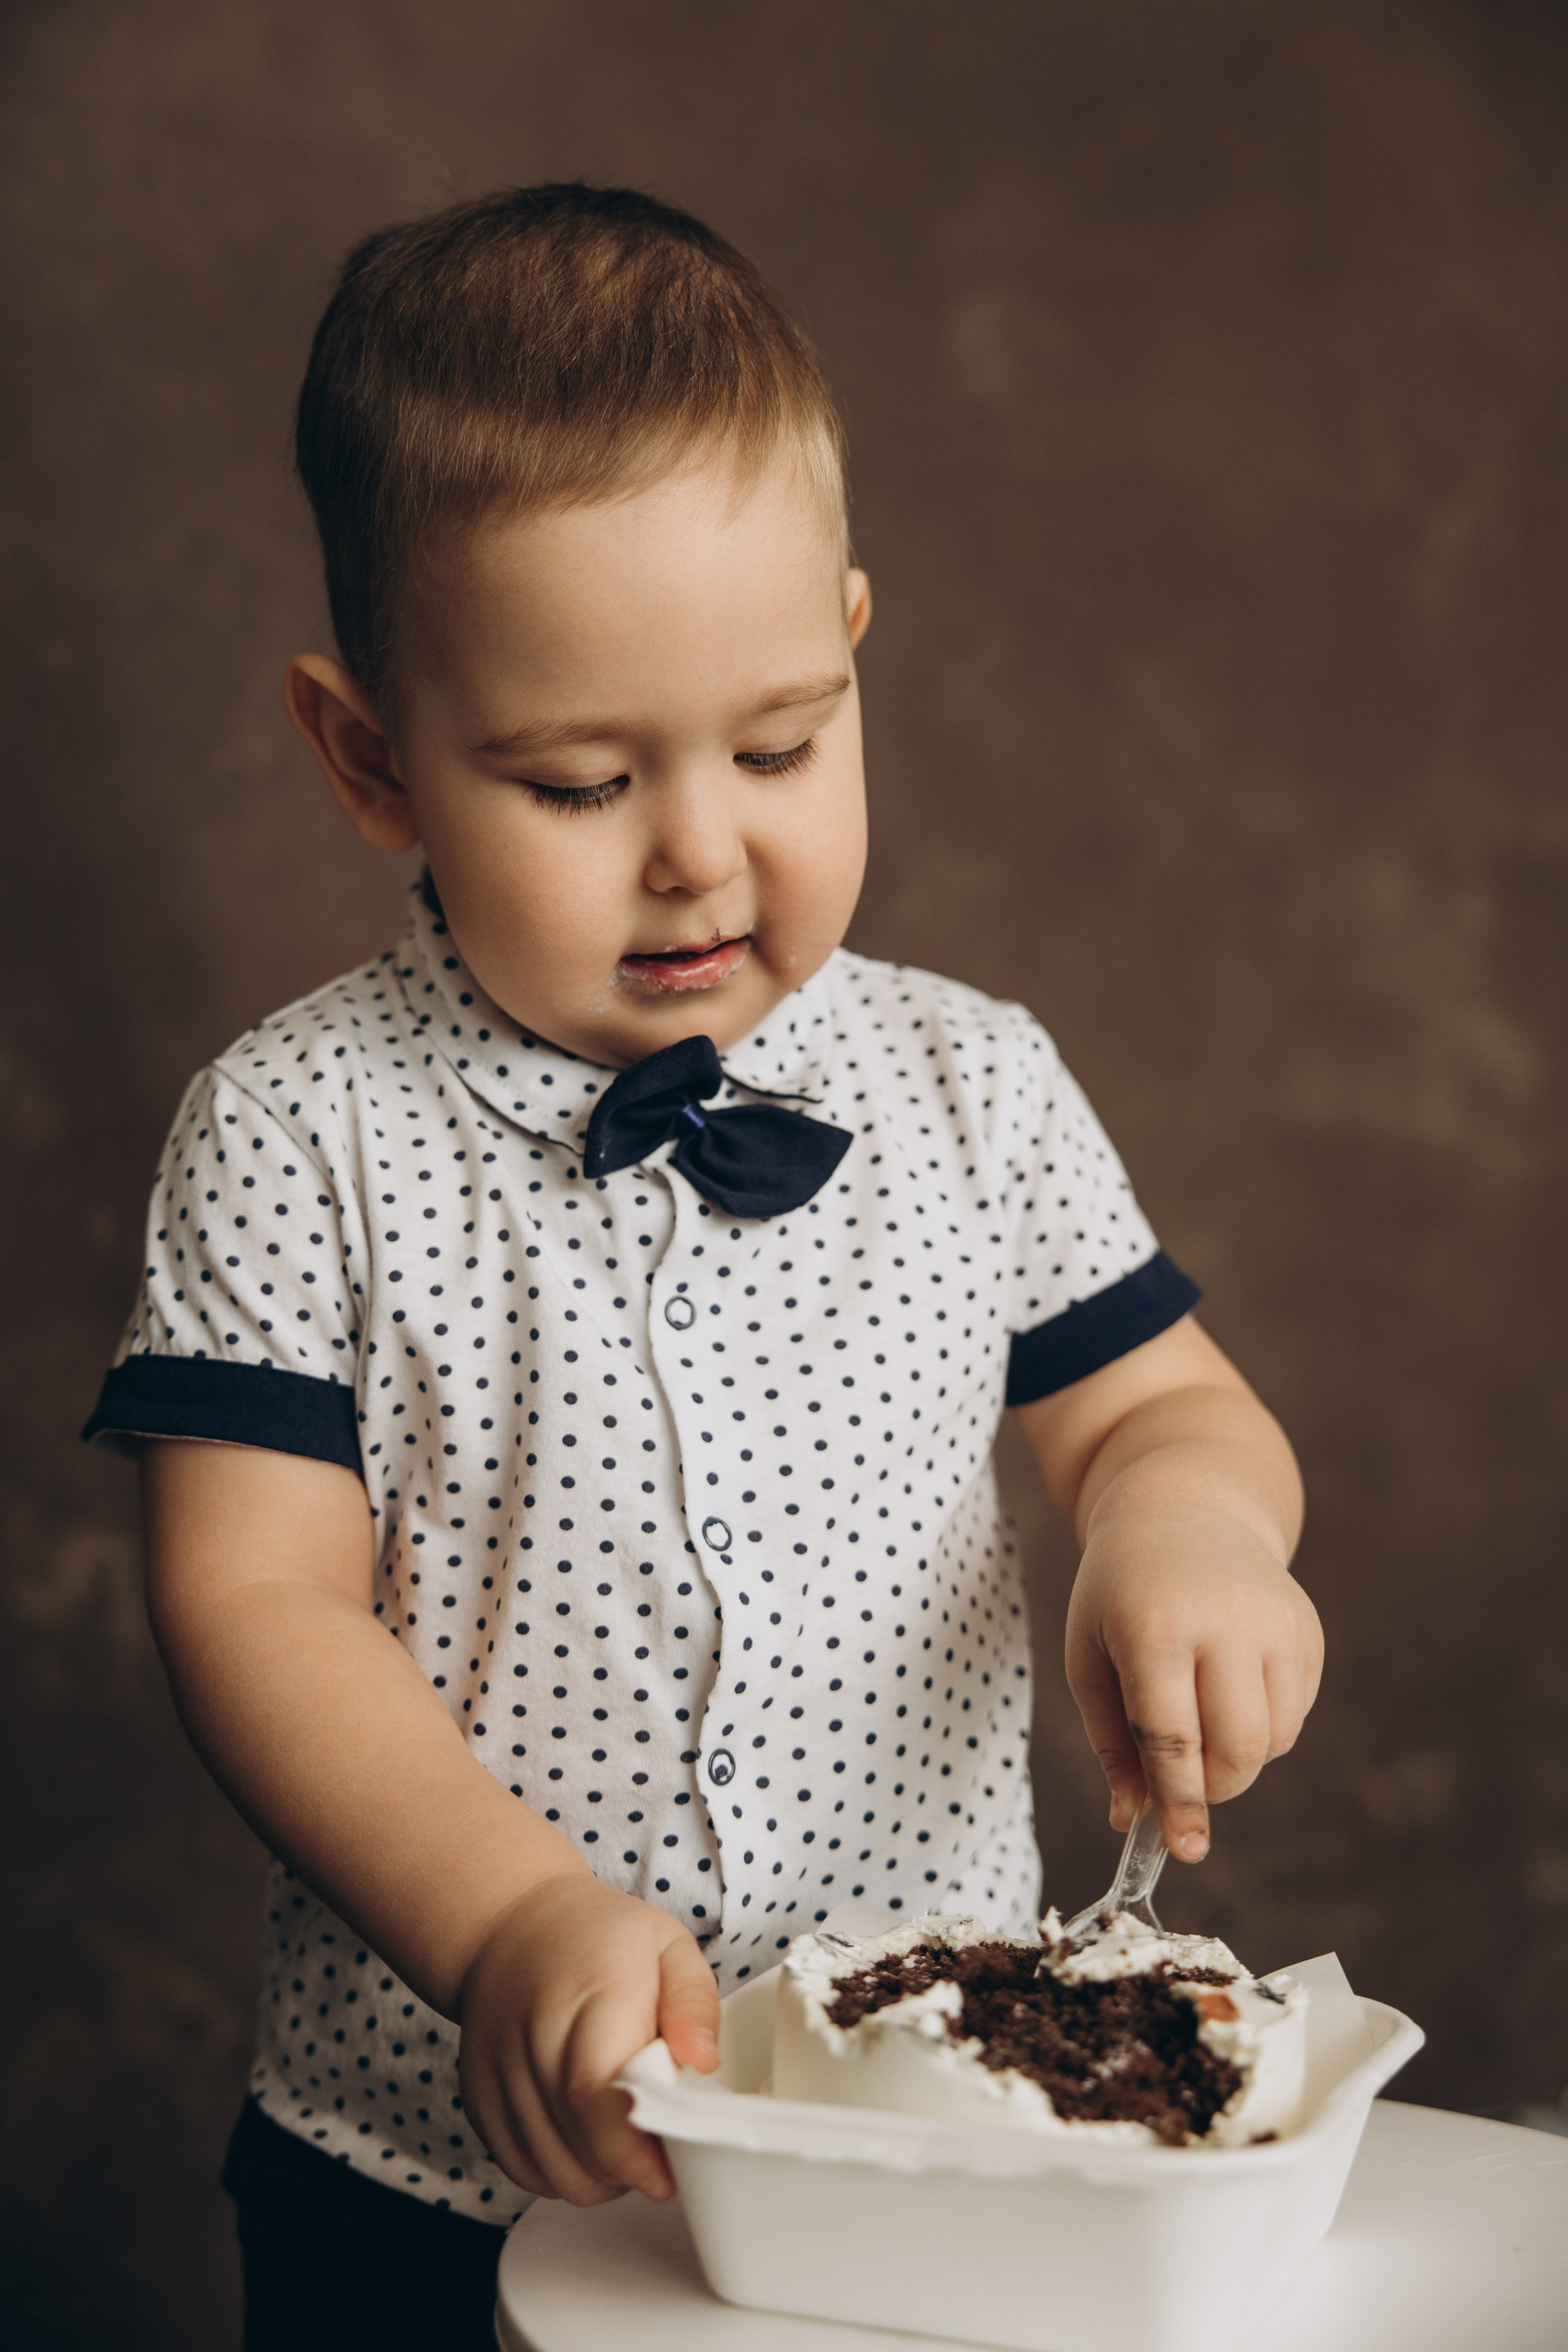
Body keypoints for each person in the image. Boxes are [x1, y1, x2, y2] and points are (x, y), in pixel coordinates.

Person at [85, 184, 1320, 2347]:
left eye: (780, 744)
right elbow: (252, 1600)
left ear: (852, 644)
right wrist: (500, 1919)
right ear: (371, 755)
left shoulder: (969, 1084)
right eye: (578, 781)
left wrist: (1189, 1532)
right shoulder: (298, 1133)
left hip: (927, 2148)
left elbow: (1159, 1406)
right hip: (441, 2166)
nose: (700, 850)